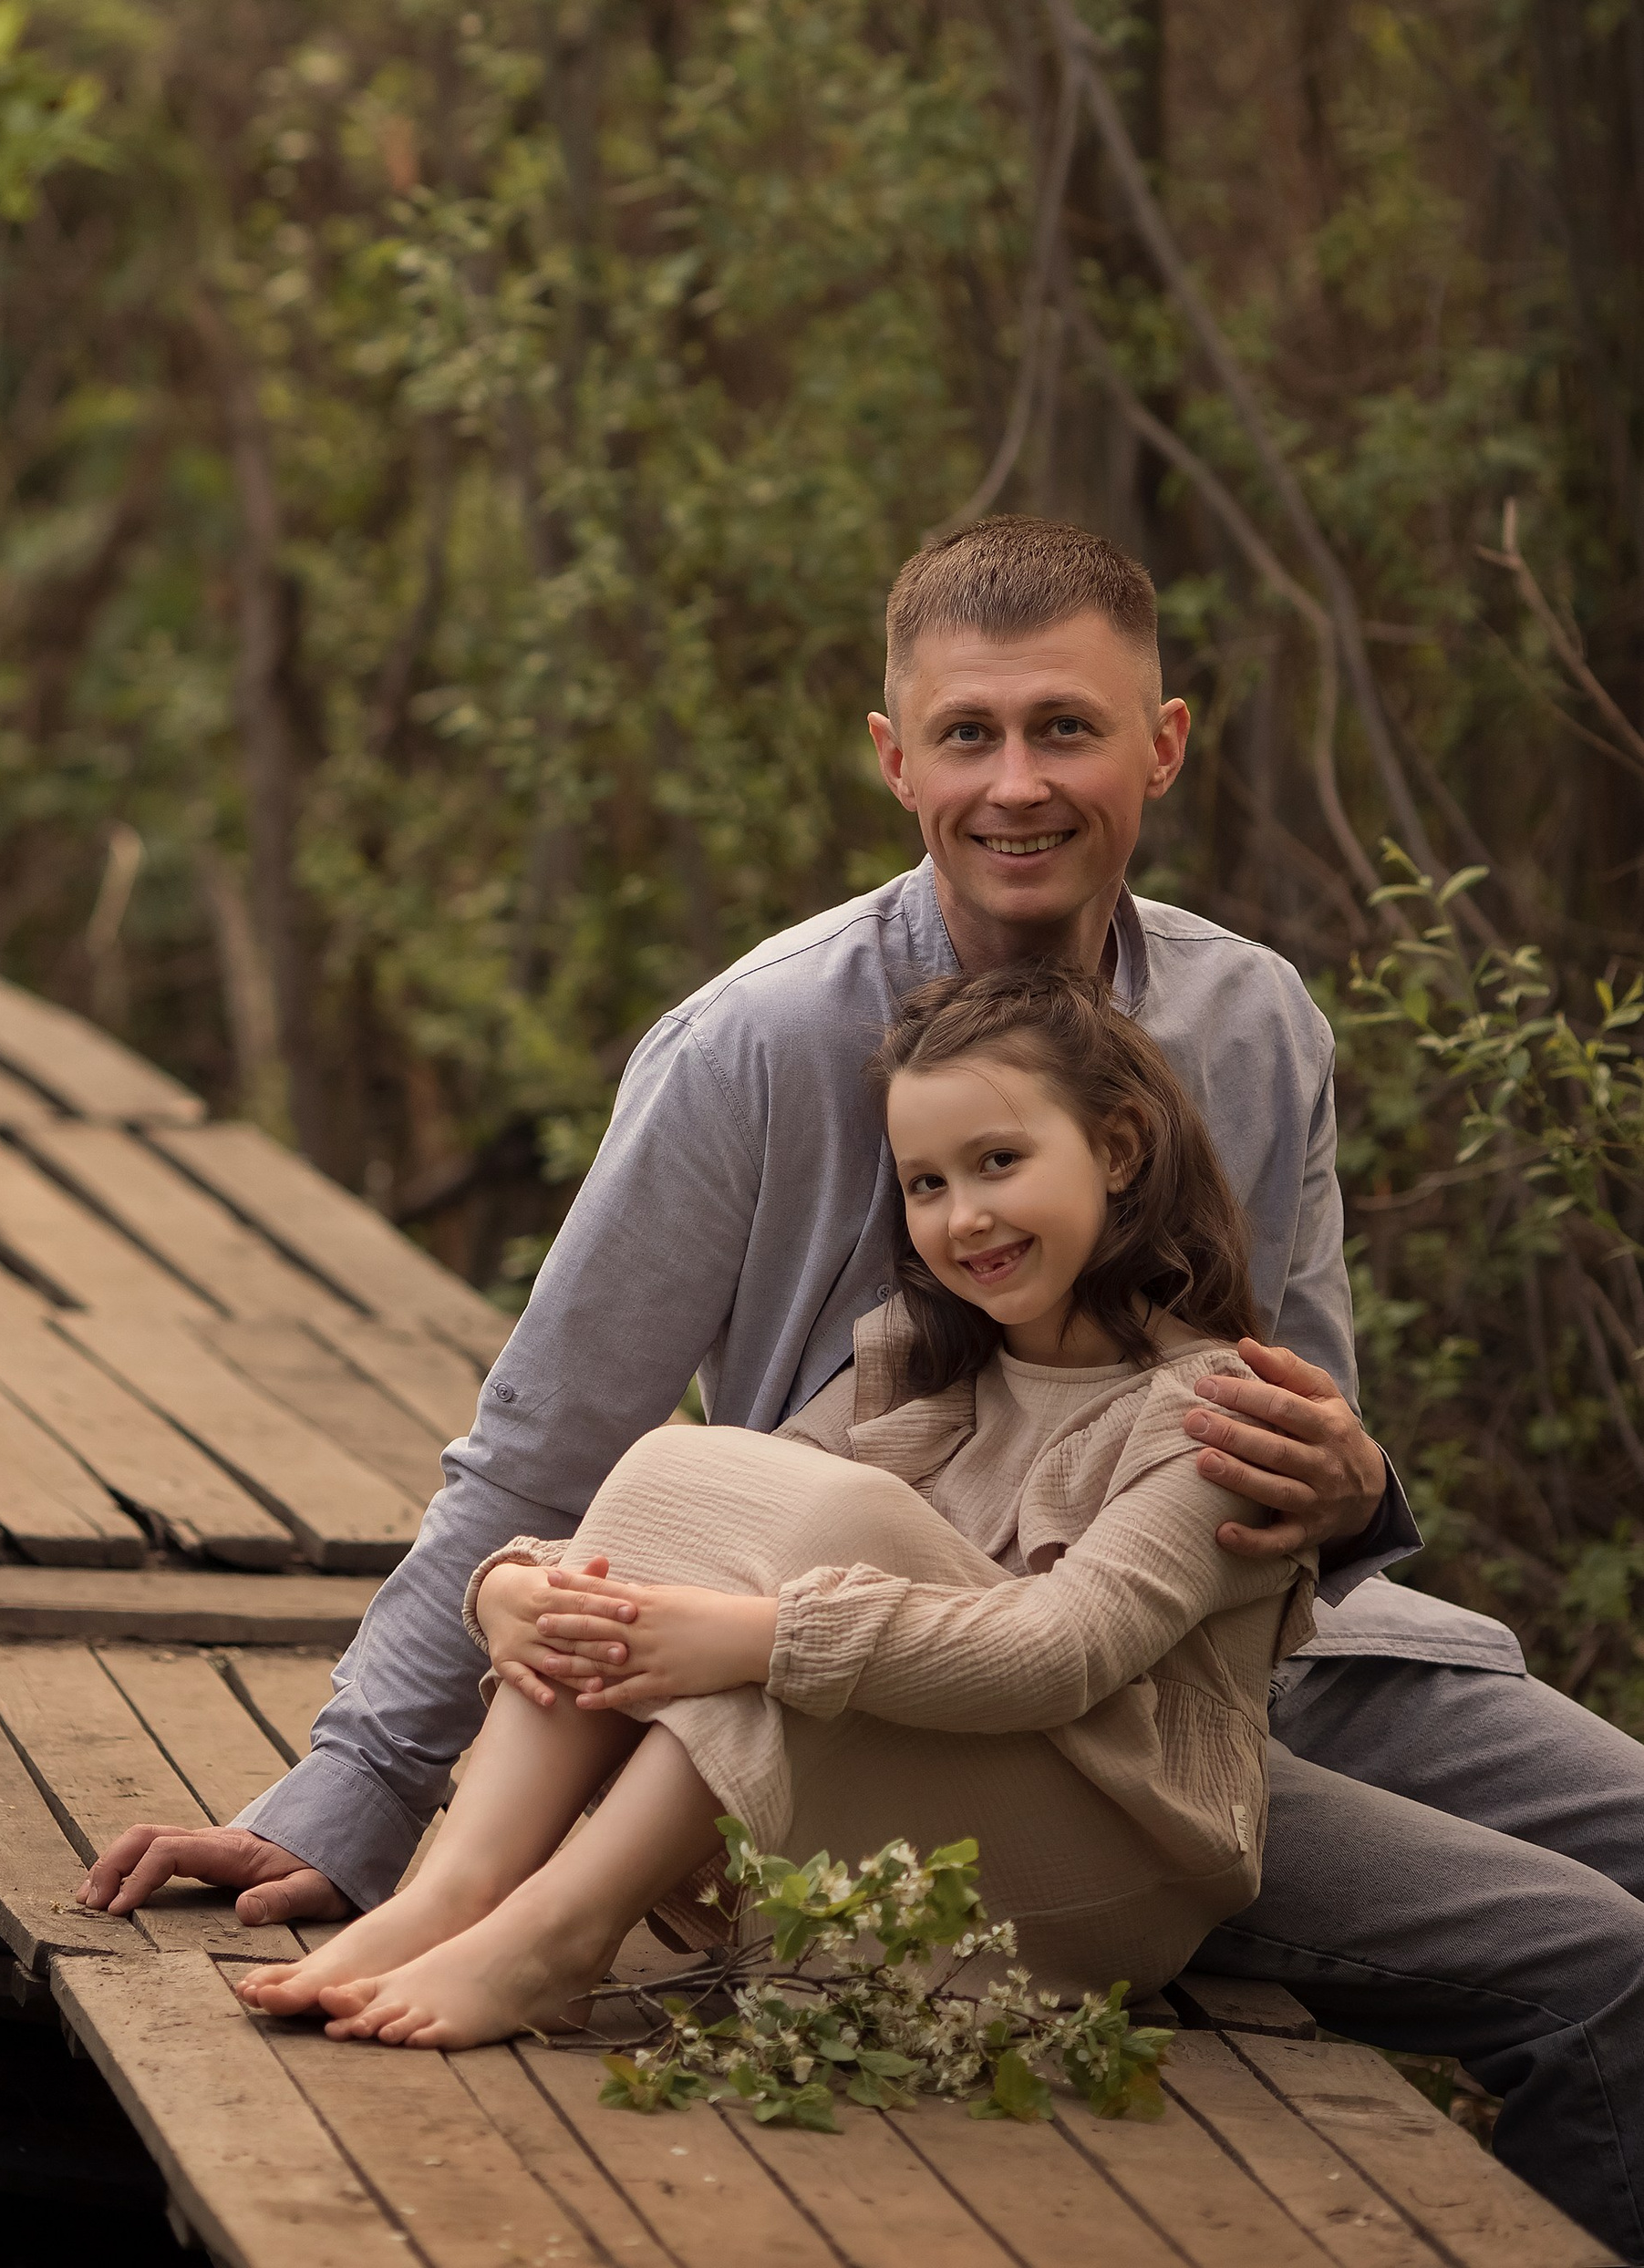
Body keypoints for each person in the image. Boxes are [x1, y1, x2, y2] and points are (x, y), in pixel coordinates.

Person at [83, 517, 1644, 2254]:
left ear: (1165, 745)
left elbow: (1303, 1433)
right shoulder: (759, 1046)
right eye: (970, 735)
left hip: (1259, 1646)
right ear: (897, 758)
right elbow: (551, 1455)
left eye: (1069, 728)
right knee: (1609, 1975)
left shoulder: (1250, 1021)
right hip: (919, 1700)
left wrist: (1348, 1483)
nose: (1019, 784)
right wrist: (358, 1795)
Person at [236, 961, 1315, 2047]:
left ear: (1119, 1149)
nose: (964, 1216)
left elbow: (1060, 1652)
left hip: (1100, 1877)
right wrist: (510, 1587)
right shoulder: (920, 1362)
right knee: (688, 1479)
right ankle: (459, 1897)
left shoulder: (1216, 1415)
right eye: (927, 1184)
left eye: (999, 1162)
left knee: (795, 1589)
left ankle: (559, 1933)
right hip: (904, 1837)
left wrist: (759, 1639)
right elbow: (709, 1529)